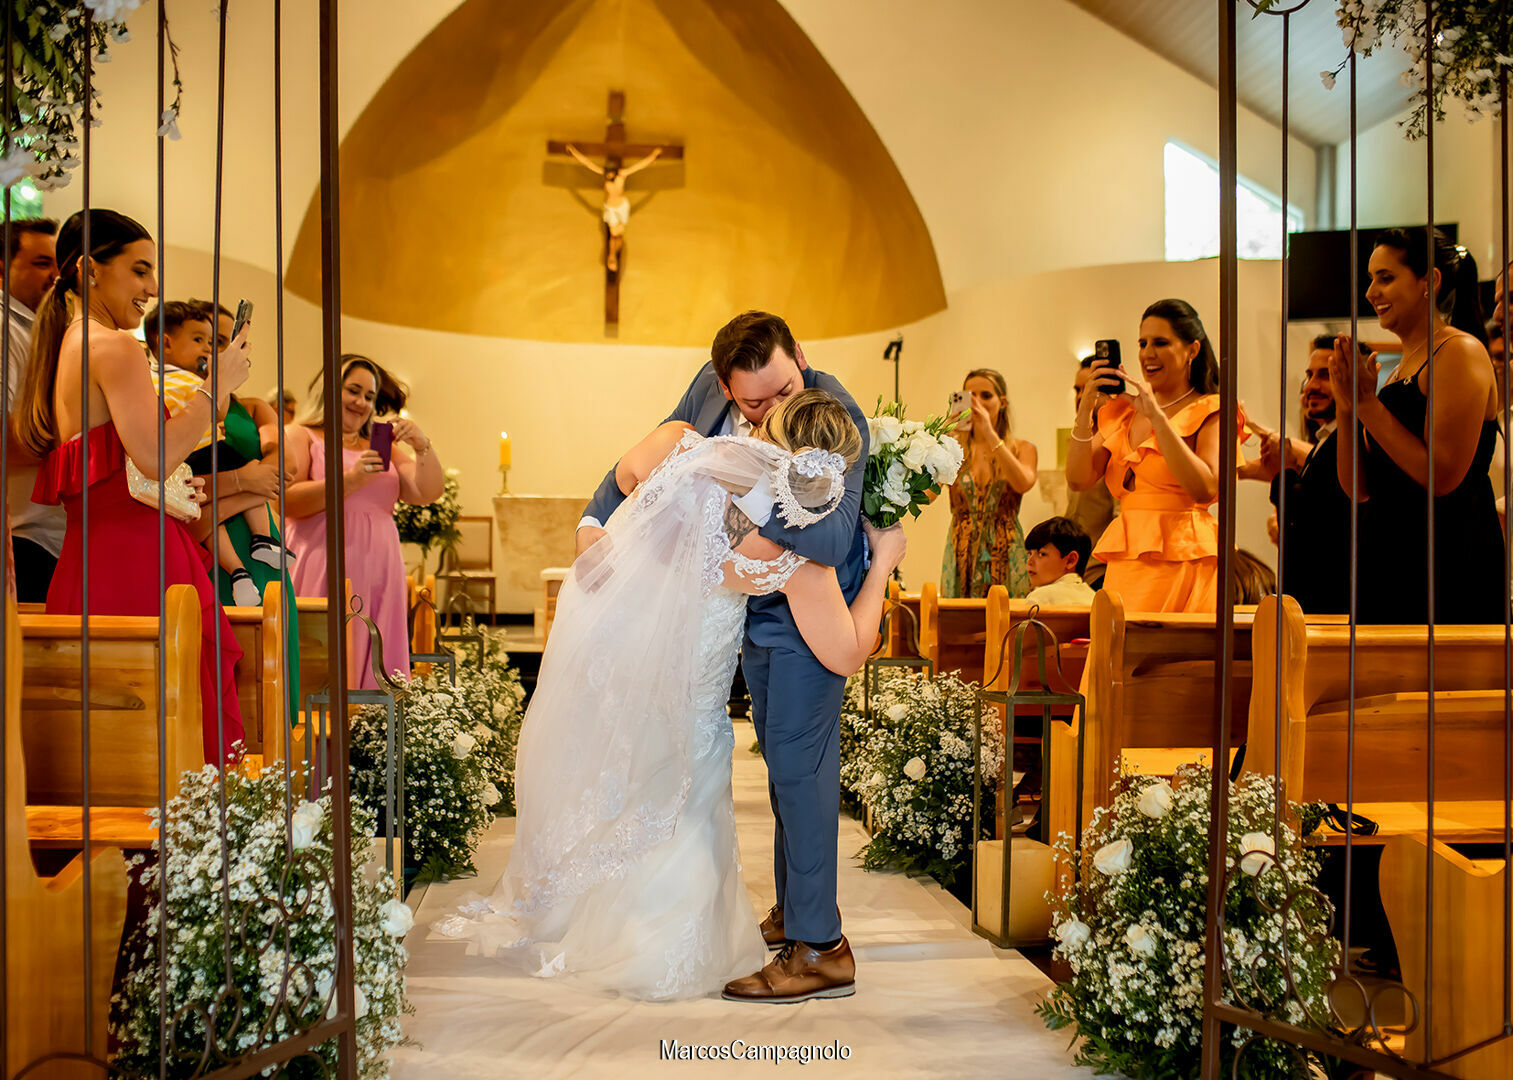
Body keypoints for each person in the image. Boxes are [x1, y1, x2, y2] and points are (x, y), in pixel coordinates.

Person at [435, 390, 904, 1002]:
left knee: (633, 781)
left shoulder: (684, 443)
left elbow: (628, 473)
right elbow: (846, 651)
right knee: (678, 790)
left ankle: (597, 909)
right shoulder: (787, 557)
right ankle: (651, 935)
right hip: (686, 681)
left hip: (621, 648)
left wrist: (593, 527)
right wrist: (883, 564)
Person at [577, 311, 867, 1004]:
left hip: (805, 607)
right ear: (721, 385)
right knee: (777, 767)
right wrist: (593, 520)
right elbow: (644, 452)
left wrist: (741, 492)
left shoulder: (830, 415)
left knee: (802, 772)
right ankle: (792, 913)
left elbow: (829, 540)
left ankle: (820, 946)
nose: (772, 411)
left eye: (781, 389)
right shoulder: (705, 395)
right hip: (738, 608)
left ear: (800, 355)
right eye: (752, 403)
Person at [14, 209, 254, 763]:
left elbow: (126, 466)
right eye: (140, 270)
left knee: (111, 737)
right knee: (170, 718)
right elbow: (154, 456)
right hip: (140, 559)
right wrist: (215, 388)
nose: (153, 288)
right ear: (90, 271)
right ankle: (176, 847)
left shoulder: (67, 342)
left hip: (91, 559)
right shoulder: (115, 345)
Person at [1331, 228, 1504, 625]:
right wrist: (1347, 407)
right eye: (1371, 279)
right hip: (1391, 562)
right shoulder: (1394, 376)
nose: (1371, 292)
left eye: (1386, 278)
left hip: (1449, 564)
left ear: (1431, 281)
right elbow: (1358, 488)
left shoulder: (1459, 351)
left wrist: (1365, 404)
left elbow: (1441, 474)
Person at [284, 355, 443, 687]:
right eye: (353, 390)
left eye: (369, 397)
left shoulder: (381, 445)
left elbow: (426, 492)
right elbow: (287, 501)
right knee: (323, 656)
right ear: (330, 389)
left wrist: (422, 446)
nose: (361, 403)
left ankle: (371, 733)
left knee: (376, 650)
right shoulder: (301, 435)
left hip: (380, 568)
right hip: (322, 560)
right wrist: (350, 480)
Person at [1065, 299, 1231, 614]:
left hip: (1184, 557)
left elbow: (1206, 488)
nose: (1147, 353)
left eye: (1160, 343)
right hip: (1127, 560)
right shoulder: (1124, 412)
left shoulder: (1212, 409)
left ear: (1192, 350)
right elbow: (1077, 478)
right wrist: (1086, 409)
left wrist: (1157, 418)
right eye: (1142, 343)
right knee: (1114, 653)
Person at [145, 300, 295, 606]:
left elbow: (283, 470)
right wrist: (244, 481)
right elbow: (179, 494)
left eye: (222, 344)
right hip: (199, 545)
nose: (212, 352)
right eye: (206, 342)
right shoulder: (162, 392)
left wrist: (256, 483)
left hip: (262, 549)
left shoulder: (254, 407)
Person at [1250, 335, 1353, 615]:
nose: (1311, 386)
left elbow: (1317, 523)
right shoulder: (1323, 440)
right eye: (1309, 375)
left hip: (1334, 605)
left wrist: (1281, 475)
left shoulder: (1354, 441)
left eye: (1325, 375)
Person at [939, 368, 1037, 598]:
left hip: (1006, 546)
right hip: (961, 548)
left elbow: (1024, 483)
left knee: (1006, 620)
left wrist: (990, 434)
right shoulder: (954, 450)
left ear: (1002, 402)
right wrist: (940, 441)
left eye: (985, 395)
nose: (977, 403)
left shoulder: (1022, 448)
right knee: (960, 625)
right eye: (970, 396)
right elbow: (927, 495)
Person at [4, 217, 62, 601]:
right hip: (25, 535)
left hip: (51, 537)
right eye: (42, 263)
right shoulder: (7, 328)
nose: (57, 275)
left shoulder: (39, 328)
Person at [564, 143, 664, 273]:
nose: (609, 176)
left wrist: (653, 156)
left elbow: (639, 166)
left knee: (619, 236)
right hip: (611, 207)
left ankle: (613, 257)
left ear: (614, 171)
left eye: (610, 174)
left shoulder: (622, 175)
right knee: (613, 236)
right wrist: (574, 152)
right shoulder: (604, 173)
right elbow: (588, 164)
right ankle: (611, 257)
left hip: (621, 206)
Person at [1064, 356, 1118, 587]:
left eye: (1087, 389)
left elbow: (1119, 513)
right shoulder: (1079, 441)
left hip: (1102, 567)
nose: (1080, 396)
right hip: (1073, 567)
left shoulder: (1116, 438)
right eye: (1077, 389)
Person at [1023, 516, 1094, 605]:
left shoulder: (1039, 598)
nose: (1030, 561)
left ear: (1070, 561)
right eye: (1029, 554)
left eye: (1041, 554)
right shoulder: (1093, 597)